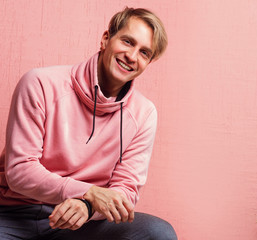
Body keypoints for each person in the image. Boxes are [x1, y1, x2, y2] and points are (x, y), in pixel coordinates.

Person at [0, 7, 177, 240]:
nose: (132, 56)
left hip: (79, 223)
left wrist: (88, 207)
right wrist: (89, 193)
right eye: (127, 41)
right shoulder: (40, 84)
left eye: (144, 53)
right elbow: (20, 171)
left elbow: (125, 191)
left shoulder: (144, 114)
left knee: (158, 233)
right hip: (12, 213)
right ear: (105, 39)